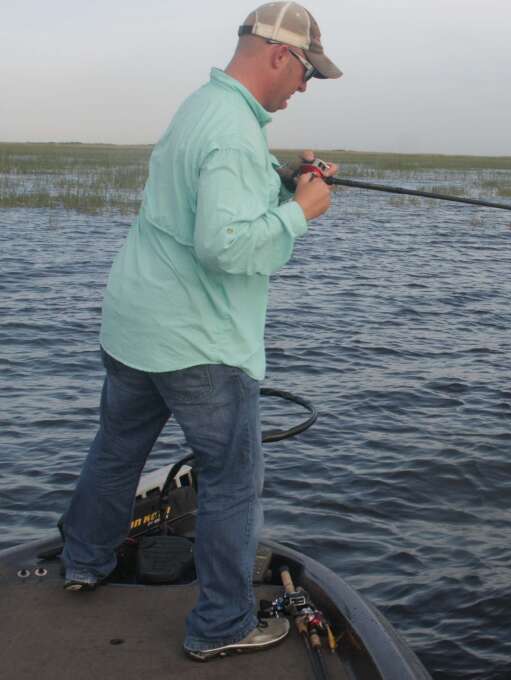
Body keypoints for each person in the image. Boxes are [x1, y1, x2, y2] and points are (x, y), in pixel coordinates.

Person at [58, 2, 342, 662]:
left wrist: (280, 188)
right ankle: (220, 626)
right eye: (307, 74)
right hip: (198, 346)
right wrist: (300, 211)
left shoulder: (201, 107)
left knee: (117, 448)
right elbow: (224, 248)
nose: (305, 87)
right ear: (279, 55)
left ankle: (83, 561)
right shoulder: (235, 131)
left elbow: (207, 212)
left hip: (134, 328)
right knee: (233, 479)